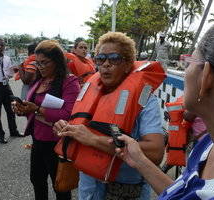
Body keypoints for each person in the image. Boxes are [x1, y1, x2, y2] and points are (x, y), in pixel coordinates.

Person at [114, 13, 214, 199]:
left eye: (188, 63)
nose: (185, 70)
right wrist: (139, 160)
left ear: (206, 77)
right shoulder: (209, 145)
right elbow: (184, 193)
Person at [54, 32, 166, 199]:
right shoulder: (89, 93)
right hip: (89, 187)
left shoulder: (145, 101)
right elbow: (80, 127)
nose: (106, 64)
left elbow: (156, 152)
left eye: (114, 59)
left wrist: (93, 139)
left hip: (124, 190)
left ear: (128, 64)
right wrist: (66, 128)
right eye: (100, 59)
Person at [12, 40, 80, 200]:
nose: (40, 66)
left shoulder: (69, 82)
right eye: (38, 63)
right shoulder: (38, 80)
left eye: (44, 63)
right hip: (37, 140)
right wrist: (22, 109)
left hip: (57, 143)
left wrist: (36, 109)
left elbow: (68, 114)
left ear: (57, 61)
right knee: (37, 180)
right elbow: (31, 107)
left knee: (61, 186)